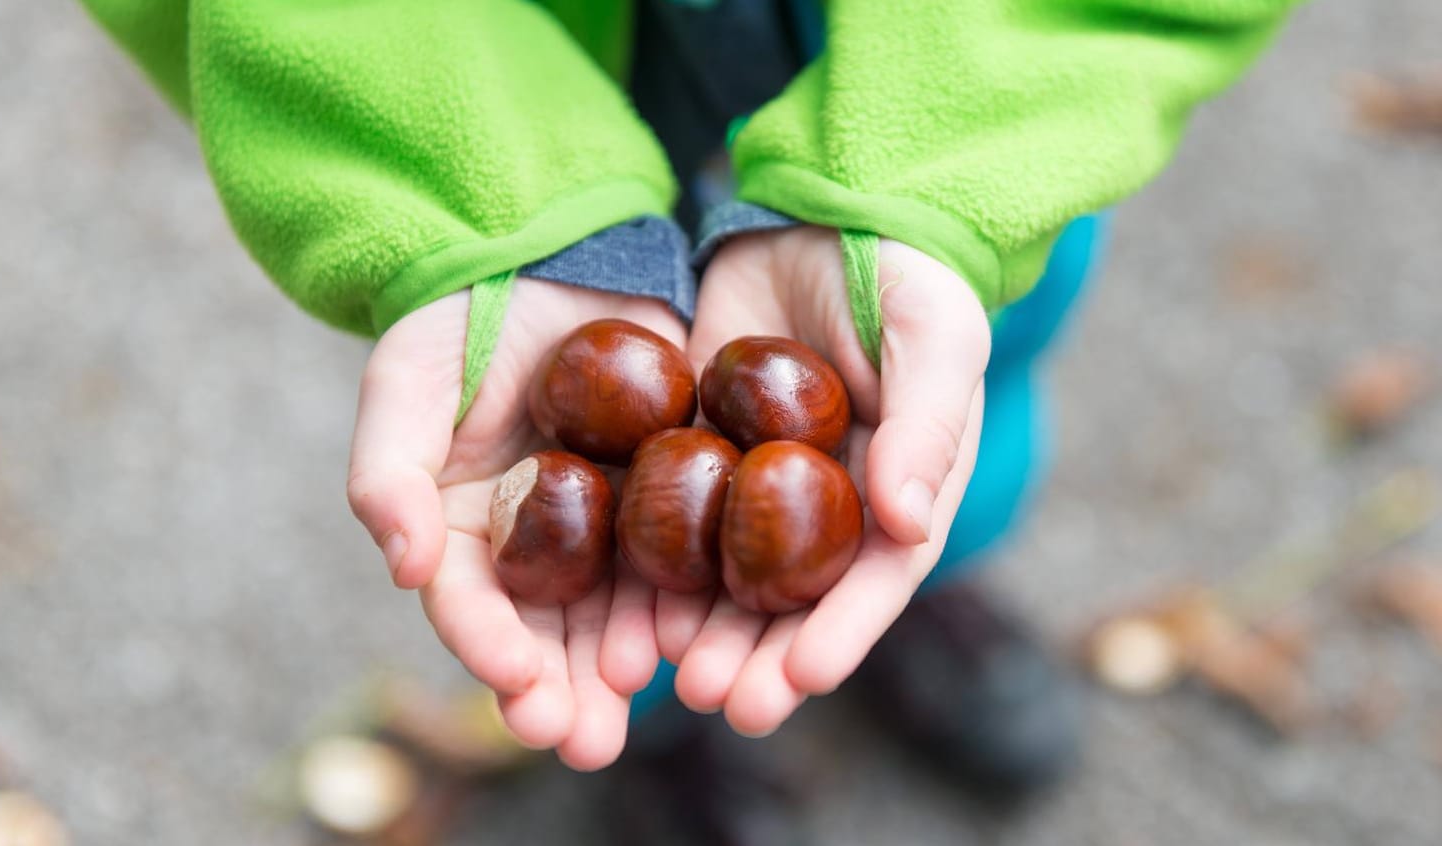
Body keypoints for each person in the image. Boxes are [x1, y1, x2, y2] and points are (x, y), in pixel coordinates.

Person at [81, 0, 1299, 840]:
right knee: (683, 594)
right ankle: (664, 737)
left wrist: (937, 174)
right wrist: (469, 188)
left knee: (931, 409)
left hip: (934, 115)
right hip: (545, 87)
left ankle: (933, 587)